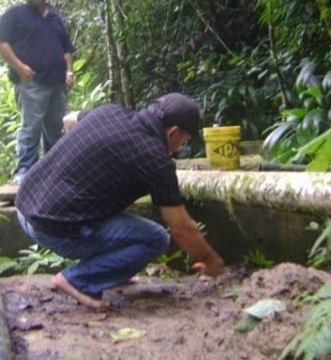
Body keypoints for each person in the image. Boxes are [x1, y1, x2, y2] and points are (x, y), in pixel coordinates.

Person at [15, 93, 225, 308]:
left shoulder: (109, 112)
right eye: (185, 140)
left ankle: (114, 271)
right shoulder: (155, 159)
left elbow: (68, 120)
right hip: (51, 228)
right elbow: (180, 228)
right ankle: (79, 280)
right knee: (155, 238)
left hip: (23, 204)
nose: (181, 146)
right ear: (173, 133)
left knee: (117, 215)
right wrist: (211, 261)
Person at [0, 0, 75, 184]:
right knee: (31, 127)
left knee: (55, 129)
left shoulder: (54, 16)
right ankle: (25, 170)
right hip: (32, 82)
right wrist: (19, 67)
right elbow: (1, 42)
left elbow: (66, 48)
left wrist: (69, 69)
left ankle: (54, 170)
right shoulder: (15, 15)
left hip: (57, 83)